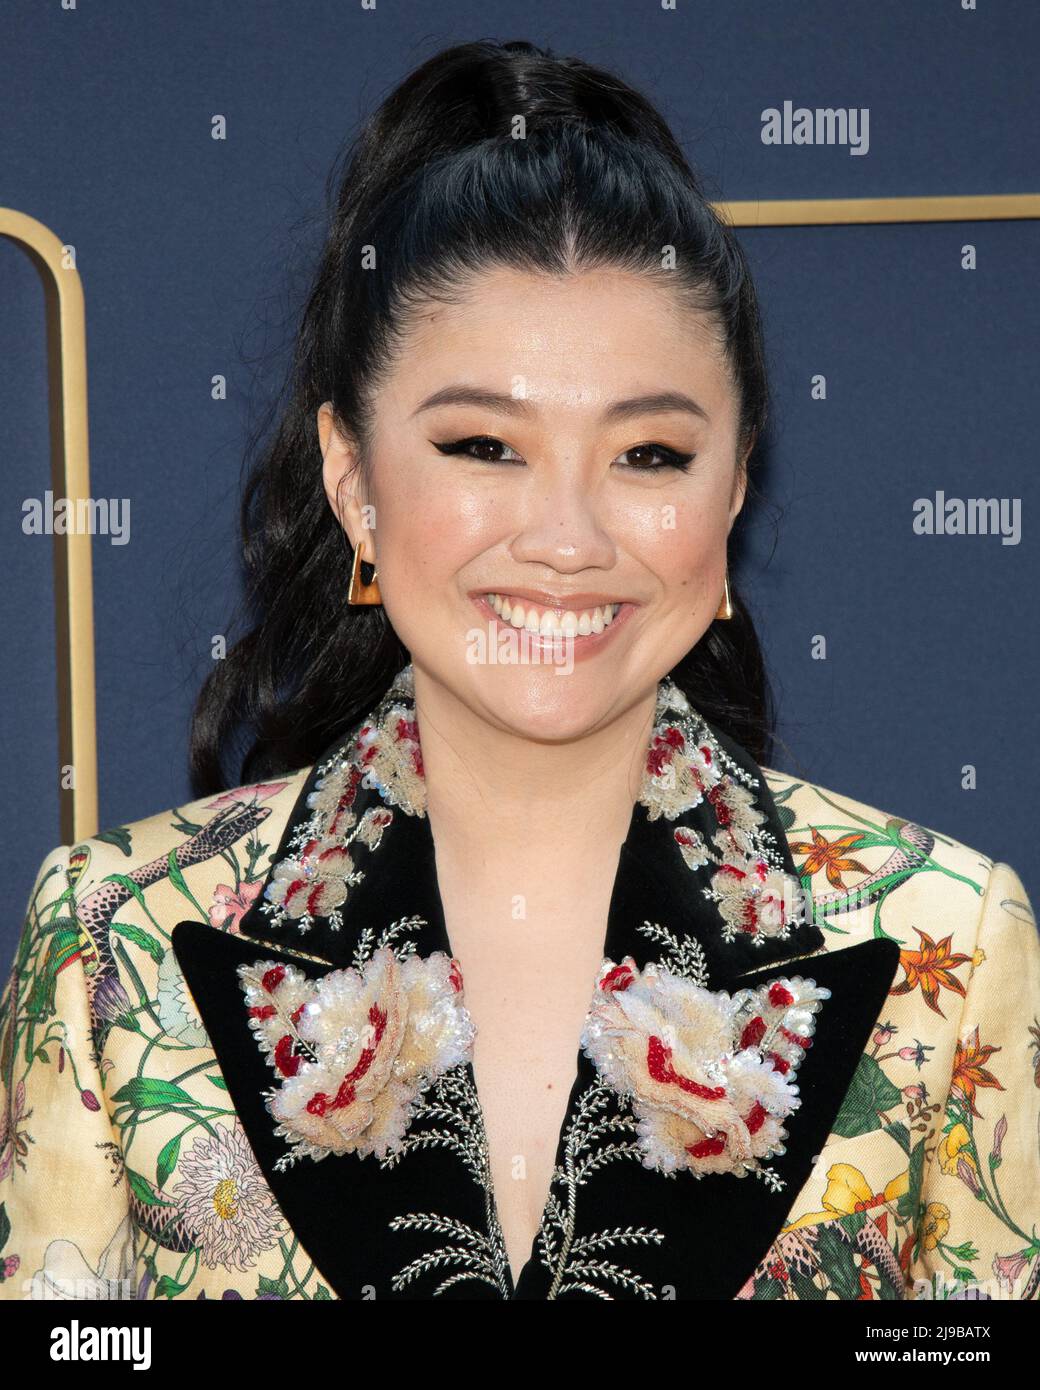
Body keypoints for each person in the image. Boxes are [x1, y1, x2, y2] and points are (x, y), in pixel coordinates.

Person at [2, 39, 1036, 1303]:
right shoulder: (123, 941)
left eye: (648, 454)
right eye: (484, 444)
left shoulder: (939, 941)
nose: (564, 540)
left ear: (734, 489)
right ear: (352, 480)